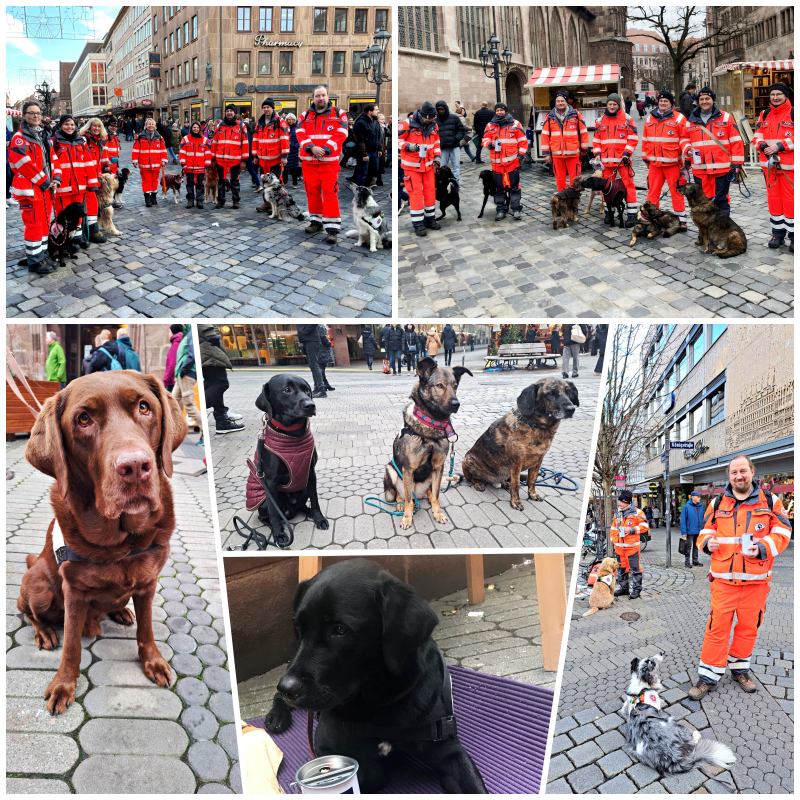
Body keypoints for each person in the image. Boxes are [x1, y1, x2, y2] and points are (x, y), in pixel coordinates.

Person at [689, 456, 791, 699]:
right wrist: (706, 543)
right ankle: (708, 677)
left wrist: (764, 547)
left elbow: (784, 532)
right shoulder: (716, 503)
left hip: (756, 584)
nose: (739, 476)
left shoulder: (771, 502)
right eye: (734, 472)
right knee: (716, 630)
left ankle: (739, 669)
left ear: (752, 471)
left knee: (748, 629)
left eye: (743, 471)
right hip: (724, 583)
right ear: (729, 475)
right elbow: (704, 532)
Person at [8, 101, 58, 274]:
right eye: (31, 113)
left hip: (45, 189)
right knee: (34, 225)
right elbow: (24, 165)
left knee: (44, 224)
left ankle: (42, 255)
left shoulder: (42, 135)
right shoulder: (19, 138)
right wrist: (46, 181)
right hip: (31, 189)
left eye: (38, 113)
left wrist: (56, 178)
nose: (36, 115)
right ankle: (35, 261)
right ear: (24, 115)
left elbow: (54, 159)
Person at [296, 86, 349, 244]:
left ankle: (332, 229)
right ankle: (316, 222)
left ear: (328, 96)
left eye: (323, 95)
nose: (321, 98)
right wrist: (311, 147)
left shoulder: (339, 113)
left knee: (330, 195)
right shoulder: (305, 115)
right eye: (318, 96)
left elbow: (342, 133)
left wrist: (325, 149)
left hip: (329, 164)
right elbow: (299, 132)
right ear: (313, 98)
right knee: (312, 194)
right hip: (309, 163)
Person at [684, 87, 745, 217]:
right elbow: (684, 139)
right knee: (702, 201)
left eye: (707, 98)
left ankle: (722, 232)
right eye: (701, 99)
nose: (704, 101)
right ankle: (706, 233)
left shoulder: (726, 117)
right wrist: (687, 150)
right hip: (700, 169)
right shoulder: (691, 120)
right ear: (698, 101)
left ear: (713, 100)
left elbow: (736, 141)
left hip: (721, 169)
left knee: (721, 201)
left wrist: (737, 164)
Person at [752, 82, 794, 250]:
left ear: (786, 96)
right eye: (772, 95)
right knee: (774, 200)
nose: (775, 97)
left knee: (791, 201)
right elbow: (757, 136)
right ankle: (777, 234)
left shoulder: (793, 112)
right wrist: (762, 146)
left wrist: (780, 146)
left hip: (789, 167)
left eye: (779, 94)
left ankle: (793, 235)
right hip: (769, 167)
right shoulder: (764, 114)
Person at [642, 91, 690, 232]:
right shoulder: (650, 117)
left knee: (677, 193)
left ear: (671, 103)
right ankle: (652, 218)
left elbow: (685, 139)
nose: (663, 103)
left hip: (673, 164)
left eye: (666, 101)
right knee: (652, 193)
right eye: (661, 101)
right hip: (655, 165)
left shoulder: (679, 118)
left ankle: (682, 220)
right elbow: (645, 139)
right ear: (658, 102)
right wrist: (645, 157)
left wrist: (687, 161)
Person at [592, 92, 640, 226]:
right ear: (606, 105)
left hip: (622, 161)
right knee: (607, 189)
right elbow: (596, 141)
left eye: (614, 104)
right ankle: (609, 213)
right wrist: (597, 154)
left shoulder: (627, 119)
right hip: (606, 162)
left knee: (629, 186)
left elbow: (633, 139)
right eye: (610, 104)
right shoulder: (600, 121)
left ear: (619, 105)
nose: (612, 106)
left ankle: (631, 215)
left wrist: (627, 153)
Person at [396, 101, 441, 236]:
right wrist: (408, 147)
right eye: (431, 118)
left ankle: (430, 219)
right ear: (423, 116)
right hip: (412, 167)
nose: (433, 120)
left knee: (430, 192)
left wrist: (437, 158)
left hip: (428, 166)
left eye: (434, 118)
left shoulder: (434, 125)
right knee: (416, 195)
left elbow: (437, 143)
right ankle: (418, 224)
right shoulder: (406, 124)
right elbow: (397, 141)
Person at [481, 102, 528, 221]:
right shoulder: (490, 125)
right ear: (495, 112)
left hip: (512, 162)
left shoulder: (515, 124)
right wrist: (489, 144)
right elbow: (484, 139)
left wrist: (520, 155)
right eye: (497, 110)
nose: (499, 112)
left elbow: (523, 141)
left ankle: (516, 208)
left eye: (501, 110)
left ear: (506, 111)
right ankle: (501, 209)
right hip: (497, 163)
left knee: (514, 187)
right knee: (498, 187)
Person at [199, 323, 244, 434]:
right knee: (220, 383)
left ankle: (223, 422)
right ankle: (195, 410)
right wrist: (209, 332)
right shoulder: (207, 333)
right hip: (208, 348)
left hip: (206, 347)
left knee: (212, 384)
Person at [541, 90, 588, 192]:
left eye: (562, 101)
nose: (560, 103)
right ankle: (562, 199)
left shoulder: (576, 114)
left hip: (573, 153)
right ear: (555, 102)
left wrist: (584, 149)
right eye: (558, 101)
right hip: (557, 154)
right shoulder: (549, 117)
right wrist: (546, 154)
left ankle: (574, 198)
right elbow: (545, 135)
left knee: (575, 179)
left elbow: (583, 132)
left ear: (567, 102)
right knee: (560, 179)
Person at [611, 489, 649, 600]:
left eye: (622, 502)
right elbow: (613, 528)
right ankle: (624, 589)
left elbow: (645, 527)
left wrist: (631, 530)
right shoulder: (618, 513)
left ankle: (637, 590)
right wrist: (613, 540)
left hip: (632, 548)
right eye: (619, 502)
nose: (619, 504)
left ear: (628, 502)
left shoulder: (638, 513)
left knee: (635, 569)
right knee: (622, 569)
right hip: (619, 548)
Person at [213, 105, 249, 209]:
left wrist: (244, 160)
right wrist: (213, 159)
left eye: (231, 111)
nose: (229, 113)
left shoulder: (241, 126)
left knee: (235, 181)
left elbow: (245, 144)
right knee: (221, 181)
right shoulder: (219, 126)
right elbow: (214, 143)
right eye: (227, 111)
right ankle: (220, 200)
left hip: (235, 159)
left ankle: (236, 201)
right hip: (220, 159)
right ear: (225, 113)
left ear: (234, 113)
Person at [79, 118, 108, 243]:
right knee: (86, 204)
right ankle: (86, 232)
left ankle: (90, 229)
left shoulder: (97, 142)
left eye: (98, 126)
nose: (96, 128)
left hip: (93, 177)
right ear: (88, 127)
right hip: (84, 177)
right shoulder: (84, 140)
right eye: (94, 126)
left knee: (92, 203)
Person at [172, 323, 203, 432]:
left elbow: (192, 355)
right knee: (171, 402)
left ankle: (204, 430)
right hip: (181, 375)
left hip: (186, 373)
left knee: (189, 405)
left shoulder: (191, 333)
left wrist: (183, 370)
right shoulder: (187, 334)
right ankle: (172, 430)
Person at [132, 117, 168, 207]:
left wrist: (164, 160)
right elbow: (136, 149)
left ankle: (153, 197)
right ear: (146, 125)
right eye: (149, 124)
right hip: (144, 164)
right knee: (146, 181)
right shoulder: (140, 137)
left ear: (155, 126)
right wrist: (135, 160)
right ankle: (147, 198)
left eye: (152, 124)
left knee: (155, 181)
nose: (151, 125)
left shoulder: (159, 137)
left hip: (156, 164)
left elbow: (163, 150)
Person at [254, 98, 289, 188]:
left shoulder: (280, 122)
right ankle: (267, 201)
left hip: (275, 160)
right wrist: (255, 156)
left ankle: (277, 202)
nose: (266, 109)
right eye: (264, 107)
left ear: (272, 108)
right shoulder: (259, 123)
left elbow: (284, 140)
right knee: (265, 184)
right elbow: (255, 140)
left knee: (276, 184)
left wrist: (284, 157)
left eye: (268, 107)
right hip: (262, 161)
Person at [180, 120, 212, 209]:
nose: (196, 129)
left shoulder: (204, 140)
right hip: (189, 167)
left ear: (200, 128)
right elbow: (182, 152)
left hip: (201, 167)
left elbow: (207, 153)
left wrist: (207, 164)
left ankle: (199, 200)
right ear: (191, 128)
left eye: (197, 127)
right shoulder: (185, 139)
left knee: (200, 184)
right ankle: (190, 200)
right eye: (194, 127)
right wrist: (183, 164)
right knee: (189, 184)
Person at [434, 101, 466, 185]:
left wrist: (456, 138)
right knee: (442, 167)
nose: (441, 111)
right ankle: (443, 184)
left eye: (442, 109)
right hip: (443, 147)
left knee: (456, 167)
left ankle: (456, 183)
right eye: (439, 109)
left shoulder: (454, 118)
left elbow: (461, 130)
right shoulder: (435, 121)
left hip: (454, 145)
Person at [352, 103, 382, 187]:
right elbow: (359, 140)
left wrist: (379, 149)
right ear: (370, 112)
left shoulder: (375, 121)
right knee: (362, 172)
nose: (378, 111)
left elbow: (378, 136)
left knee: (374, 170)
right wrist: (364, 154)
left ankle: (367, 186)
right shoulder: (361, 122)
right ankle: (360, 190)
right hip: (365, 152)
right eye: (376, 110)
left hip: (374, 151)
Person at [296, 324, 329, 398]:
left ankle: (322, 390)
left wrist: (304, 331)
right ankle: (317, 389)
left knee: (314, 365)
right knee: (313, 366)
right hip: (308, 340)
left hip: (311, 340)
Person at [680, 490, 705, 568]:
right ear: (693, 497)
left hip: (698, 530)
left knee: (696, 546)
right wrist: (684, 532)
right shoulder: (686, 507)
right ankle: (687, 562)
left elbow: (703, 518)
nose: (699, 498)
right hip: (690, 531)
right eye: (698, 497)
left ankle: (695, 560)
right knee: (688, 547)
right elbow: (683, 520)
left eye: (699, 497)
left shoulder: (700, 507)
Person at [163, 323, 184, 392]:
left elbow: (171, 365)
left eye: (169, 331)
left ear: (173, 332)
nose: (168, 334)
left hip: (172, 381)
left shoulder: (176, 344)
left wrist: (165, 381)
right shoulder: (181, 342)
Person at [282, 113, 302, 186]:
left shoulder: (297, 127)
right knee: (285, 166)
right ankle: (284, 181)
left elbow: (300, 138)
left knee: (294, 167)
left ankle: (294, 183)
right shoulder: (284, 127)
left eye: (292, 119)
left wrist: (295, 145)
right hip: (285, 149)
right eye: (289, 119)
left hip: (293, 150)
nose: (290, 121)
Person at [102, 118, 121, 187]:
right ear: (108, 126)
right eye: (112, 126)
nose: (114, 128)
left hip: (114, 165)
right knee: (108, 187)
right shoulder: (105, 136)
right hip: (108, 166)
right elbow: (104, 151)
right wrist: (106, 165)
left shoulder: (114, 136)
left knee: (113, 186)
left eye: (115, 126)